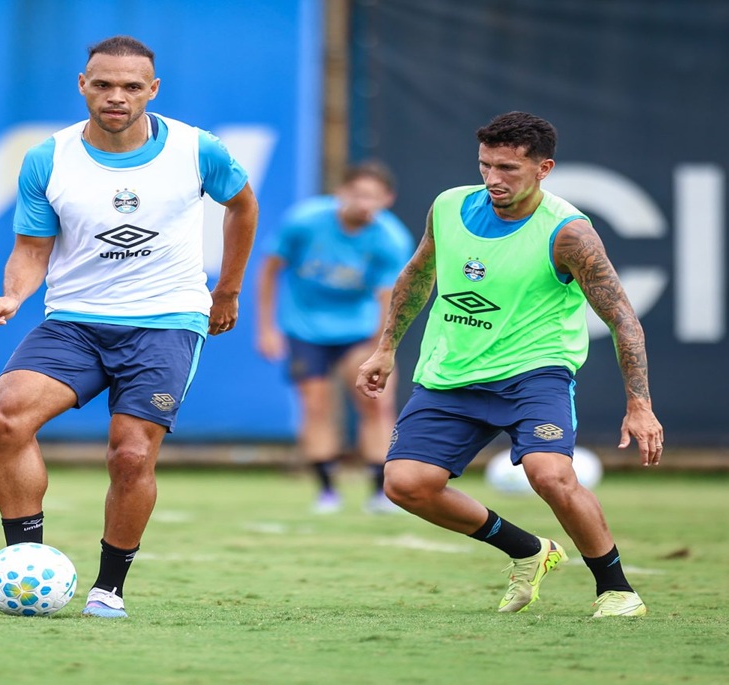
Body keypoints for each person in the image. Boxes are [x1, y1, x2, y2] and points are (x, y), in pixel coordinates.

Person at [0, 36, 258, 618]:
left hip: (166, 322)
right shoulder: (47, 158)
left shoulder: (196, 149)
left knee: (131, 457)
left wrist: (227, 289)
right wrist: (11, 297)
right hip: (76, 322)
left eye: (132, 87)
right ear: (82, 84)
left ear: (152, 91)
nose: (117, 96)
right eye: (103, 84)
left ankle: (109, 589)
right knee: (5, 420)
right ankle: (22, 568)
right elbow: (32, 248)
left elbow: (243, 206)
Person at [355, 111, 663, 617]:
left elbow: (623, 318)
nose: (493, 179)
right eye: (485, 166)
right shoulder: (449, 207)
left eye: (508, 169)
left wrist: (640, 403)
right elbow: (417, 273)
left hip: (534, 373)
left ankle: (616, 589)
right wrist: (386, 347)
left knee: (550, 475)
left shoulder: (569, 233)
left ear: (544, 168)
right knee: (405, 486)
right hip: (451, 373)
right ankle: (528, 550)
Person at [255, 162, 412, 514]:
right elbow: (269, 270)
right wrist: (266, 328)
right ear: (340, 193)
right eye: (357, 194)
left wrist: (381, 347)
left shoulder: (391, 239)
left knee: (376, 402)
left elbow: (388, 298)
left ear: (388, 199)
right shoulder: (305, 221)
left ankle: (378, 491)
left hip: (359, 330)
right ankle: (327, 491)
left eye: (373, 196)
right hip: (305, 328)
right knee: (315, 405)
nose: (364, 203)